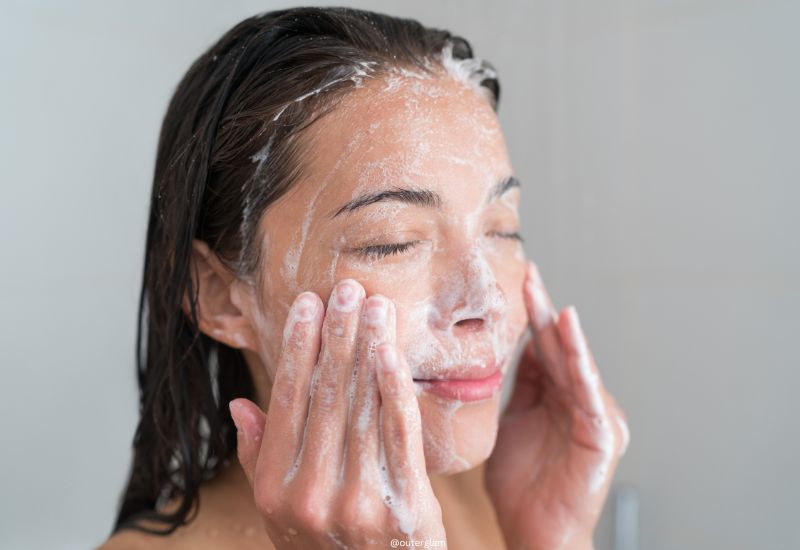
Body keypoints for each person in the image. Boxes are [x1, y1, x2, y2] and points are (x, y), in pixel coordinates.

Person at [99, 6, 629, 549]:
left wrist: (555, 540)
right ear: (219, 296)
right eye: (393, 241)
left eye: (502, 230)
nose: (488, 301)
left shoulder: (490, 498)